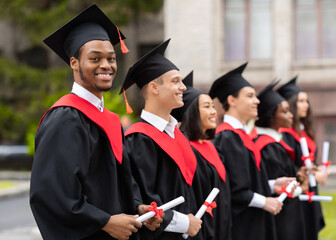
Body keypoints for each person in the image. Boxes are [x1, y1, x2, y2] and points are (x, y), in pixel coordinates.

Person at [30, 5, 161, 240]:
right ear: (74, 63)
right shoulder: (65, 119)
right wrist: (105, 223)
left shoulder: (110, 120)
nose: (106, 65)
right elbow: (52, 196)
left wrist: (138, 207)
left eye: (111, 58)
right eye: (95, 58)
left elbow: (120, 183)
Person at [122, 40, 202, 240]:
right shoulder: (139, 139)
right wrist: (185, 223)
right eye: (175, 81)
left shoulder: (178, 135)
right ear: (154, 88)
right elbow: (143, 205)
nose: (183, 87)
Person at [209, 62, 296, 240]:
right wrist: (265, 201)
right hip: (242, 225)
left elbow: (246, 181)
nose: (257, 101)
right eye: (250, 96)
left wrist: (271, 185)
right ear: (232, 101)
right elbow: (233, 189)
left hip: (254, 221)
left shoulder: (241, 136)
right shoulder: (227, 138)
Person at [171, 71, 232, 240]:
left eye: (213, 106)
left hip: (222, 227)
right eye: (207, 107)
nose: (214, 111)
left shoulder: (212, 147)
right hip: (202, 231)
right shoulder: (187, 150)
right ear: (192, 112)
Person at [254, 81, 307, 240]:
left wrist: (299, 174)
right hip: (281, 216)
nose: (291, 115)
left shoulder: (275, 142)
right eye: (285, 112)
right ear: (271, 115)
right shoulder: (268, 146)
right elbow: (279, 186)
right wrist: (303, 187)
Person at [277, 77, 325, 240]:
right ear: (291, 104)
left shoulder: (304, 130)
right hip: (297, 191)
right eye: (301, 101)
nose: (306, 105)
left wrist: (319, 171)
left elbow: (312, 160)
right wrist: (309, 174)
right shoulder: (285, 133)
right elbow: (287, 165)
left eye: (307, 101)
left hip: (311, 189)